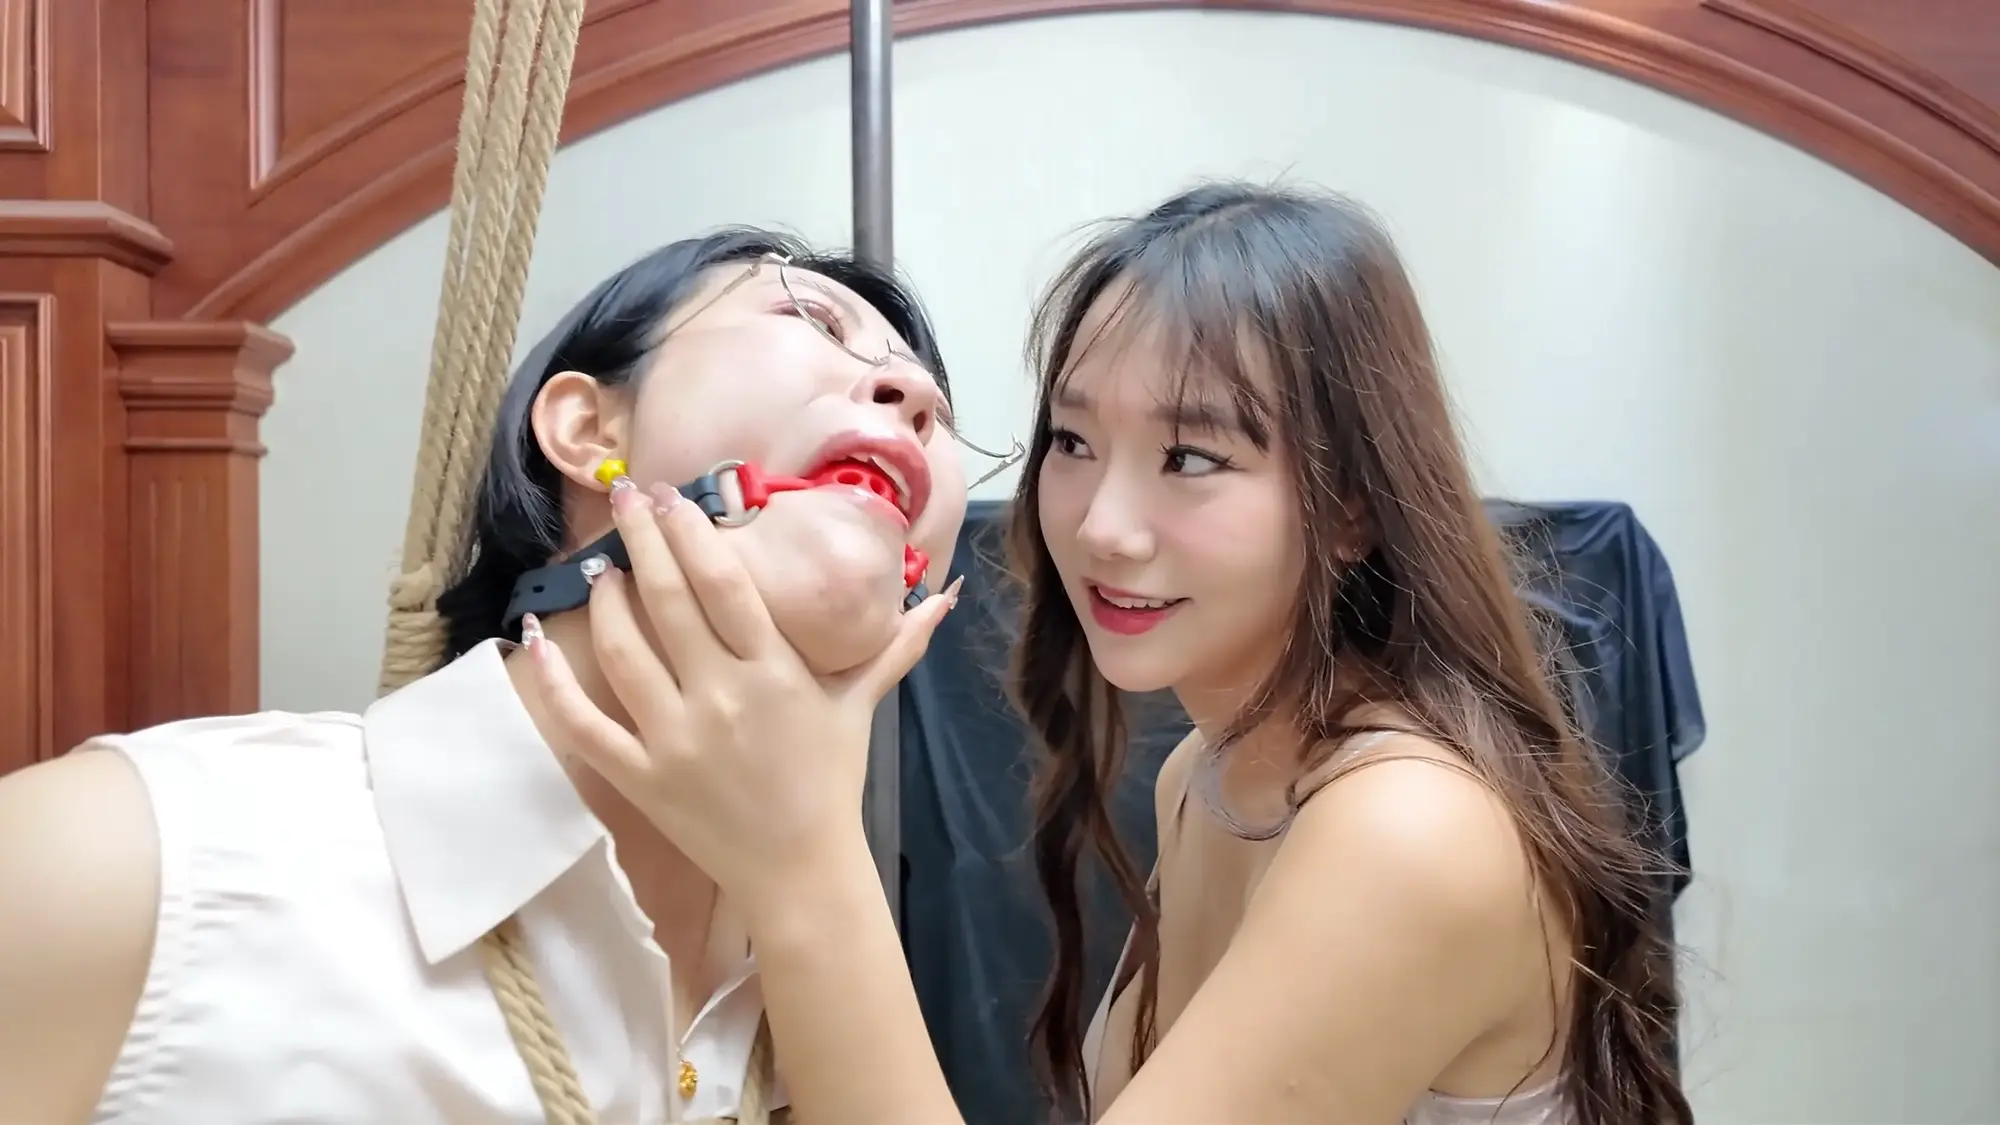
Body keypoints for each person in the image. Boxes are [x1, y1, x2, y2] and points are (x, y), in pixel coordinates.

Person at [529, 183, 1694, 1125]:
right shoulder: (1209, 776)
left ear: (1349, 508)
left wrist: (801, 861)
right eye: (1073, 441)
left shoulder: (1409, 829)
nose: (1099, 527)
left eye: (1190, 458)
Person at [0, 228, 973, 1125]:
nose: (913, 396)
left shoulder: (822, 1001)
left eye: (939, 404)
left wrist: (815, 890)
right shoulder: (135, 864)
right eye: (814, 321)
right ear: (588, 430)